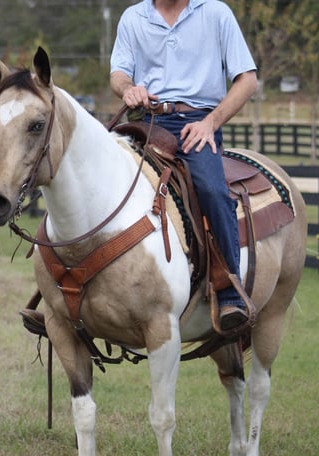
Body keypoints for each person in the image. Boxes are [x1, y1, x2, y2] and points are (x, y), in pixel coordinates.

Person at [110, 0, 258, 331]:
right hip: (146, 121)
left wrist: (210, 123)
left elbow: (247, 81)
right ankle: (70, 286)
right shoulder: (133, 17)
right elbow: (118, 73)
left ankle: (229, 291)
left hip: (197, 121)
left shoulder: (216, 13)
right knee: (99, 174)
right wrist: (128, 89)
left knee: (210, 189)